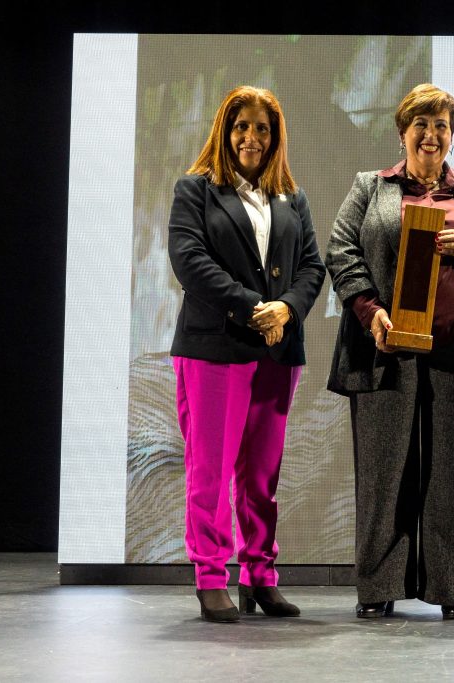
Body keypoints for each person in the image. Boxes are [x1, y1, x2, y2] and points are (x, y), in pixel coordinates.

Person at [326, 83, 454, 620]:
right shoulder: (372, 187)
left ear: (452, 134)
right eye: (422, 125)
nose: (432, 135)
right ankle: (379, 588)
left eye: (442, 126)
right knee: (384, 475)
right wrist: (372, 314)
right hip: (387, 351)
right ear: (403, 131)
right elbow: (340, 252)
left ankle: (453, 590)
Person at [167, 85, 326, 623]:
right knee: (209, 471)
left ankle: (261, 576)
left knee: (262, 476)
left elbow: (312, 267)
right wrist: (253, 306)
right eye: (241, 126)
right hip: (215, 348)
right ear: (223, 131)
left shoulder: (291, 198)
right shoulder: (196, 190)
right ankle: (212, 577)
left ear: (275, 136)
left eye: (262, 128)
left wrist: (286, 310)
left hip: (278, 352)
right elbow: (189, 261)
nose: (251, 137)